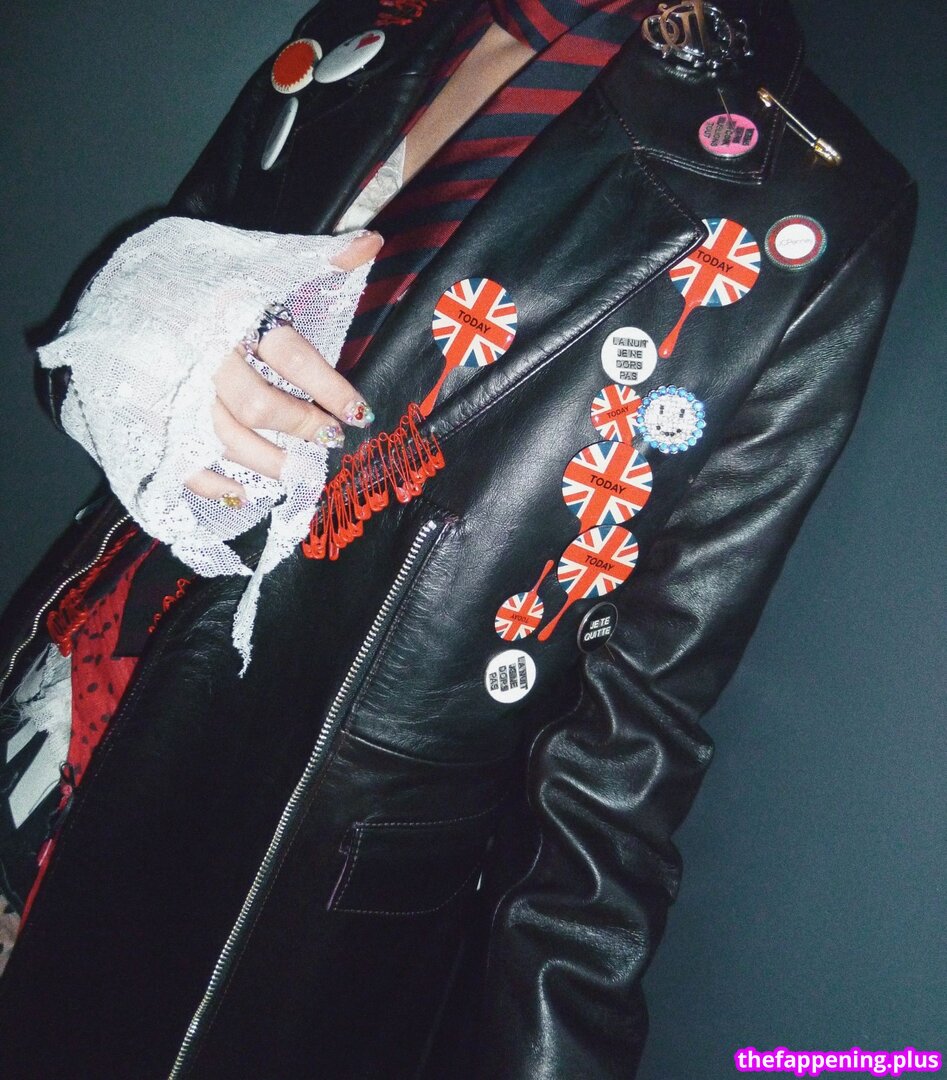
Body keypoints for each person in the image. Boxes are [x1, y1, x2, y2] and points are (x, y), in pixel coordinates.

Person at [0, 0, 916, 1077]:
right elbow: (92, 365)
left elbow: (632, 741)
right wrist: (140, 350)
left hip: (255, 887)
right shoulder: (379, 23)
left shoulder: (809, 204)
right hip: (53, 689)